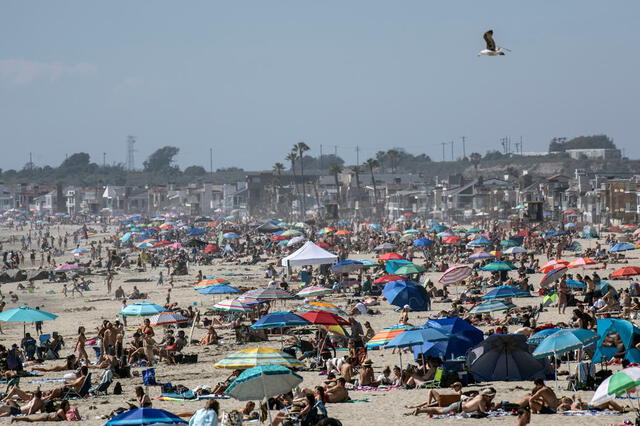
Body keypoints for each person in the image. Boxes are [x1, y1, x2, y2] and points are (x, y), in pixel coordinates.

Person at [412, 387, 495, 416]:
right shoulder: (481, 400)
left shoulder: (479, 396)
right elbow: (483, 412)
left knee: (440, 409)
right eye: (491, 397)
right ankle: (420, 410)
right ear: (487, 396)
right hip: (458, 407)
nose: (491, 398)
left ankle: (422, 409)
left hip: (459, 406)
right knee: (440, 411)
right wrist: (491, 407)